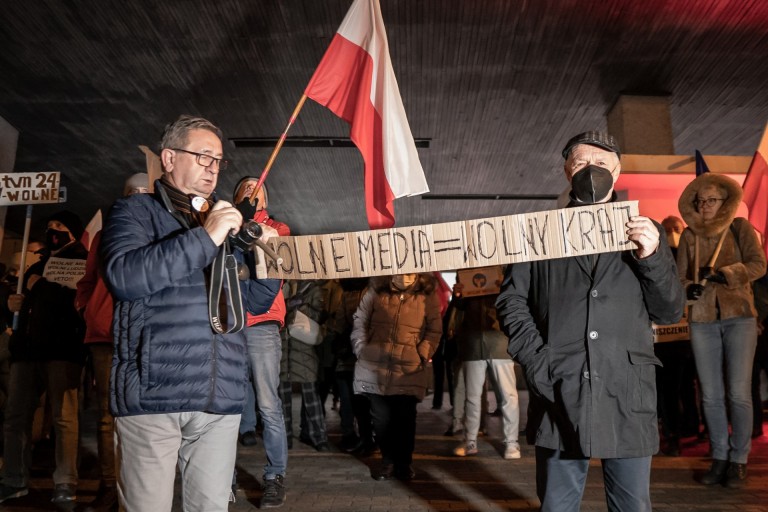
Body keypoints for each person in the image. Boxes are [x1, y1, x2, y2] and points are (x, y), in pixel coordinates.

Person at [496, 131, 684, 512]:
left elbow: (669, 311)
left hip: (626, 389)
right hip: (559, 386)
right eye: (581, 163)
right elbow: (512, 301)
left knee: (632, 505)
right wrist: (538, 361)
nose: (591, 170)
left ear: (617, 171)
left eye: (601, 163)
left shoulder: (646, 231)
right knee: (557, 504)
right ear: (567, 171)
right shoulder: (537, 233)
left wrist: (652, 257)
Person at [99, 115, 280, 512]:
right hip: (154, 395)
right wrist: (207, 236)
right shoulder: (135, 213)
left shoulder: (223, 222)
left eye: (218, 160)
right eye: (202, 156)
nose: (212, 167)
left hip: (219, 398)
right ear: (168, 157)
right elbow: (125, 278)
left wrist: (268, 262)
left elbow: (249, 305)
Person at [676, 172, 766, 488]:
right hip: (702, 321)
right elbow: (679, 278)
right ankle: (720, 456)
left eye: (711, 200)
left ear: (724, 201)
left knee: (738, 392)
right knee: (710, 395)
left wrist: (725, 274)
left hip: (739, 317)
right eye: (700, 201)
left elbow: (759, 265)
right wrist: (691, 289)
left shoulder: (739, 228)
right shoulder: (689, 236)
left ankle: (739, 461)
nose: (705, 206)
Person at [0, 211, 88, 505]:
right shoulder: (37, 265)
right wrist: (12, 302)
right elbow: (21, 300)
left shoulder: (81, 262)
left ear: (73, 233)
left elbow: (73, 300)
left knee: (64, 418)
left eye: (60, 226)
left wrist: (40, 286)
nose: (53, 231)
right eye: (50, 226)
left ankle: (65, 481)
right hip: (27, 351)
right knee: (16, 417)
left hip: (62, 351)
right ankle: (14, 479)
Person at [74, 173, 149, 512]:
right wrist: (87, 308)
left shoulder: (159, 231)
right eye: (132, 193)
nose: (138, 197)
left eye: (145, 193)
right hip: (106, 334)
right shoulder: (105, 237)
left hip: (145, 335)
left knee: (144, 415)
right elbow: (87, 280)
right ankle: (109, 486)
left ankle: (140, 487)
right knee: (107, 416)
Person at [231, 175, 291, 508]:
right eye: (246, 190)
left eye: (259, 189)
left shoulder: (278, 229)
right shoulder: (226, 224)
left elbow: (275, 267)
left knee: (268, 404)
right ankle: (224, 476)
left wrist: (256, 234)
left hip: (262, 324)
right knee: (227, 404)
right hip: (229, 324)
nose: (253, 193)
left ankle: (274, 476)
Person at [352, 273, 442, 481]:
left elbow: (434, 329)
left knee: (405, 418)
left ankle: (404, 463)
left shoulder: (426, 294)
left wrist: (422, 353)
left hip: (407, 368)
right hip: (375, 365)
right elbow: (361, 319)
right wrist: (361, 348)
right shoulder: (376, 289)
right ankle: (387, 461)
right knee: (381, 419)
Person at [451, 277, 521, 460]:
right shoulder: (469, 270)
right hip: (474, 342)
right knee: (472, 396)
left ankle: (511, 442)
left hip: (498, 340)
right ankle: (470, 440)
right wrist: (457, 295)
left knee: (508, 395)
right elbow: (460, 307)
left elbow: (516, 300)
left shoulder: (504, 271)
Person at [654, 215, 702, 456]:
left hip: (684, 337)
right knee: (665, 388)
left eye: (676, 228)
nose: (672, 233)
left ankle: (688, 428)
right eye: (668, 229)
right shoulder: (656, 257)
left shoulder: (690, 260)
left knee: (684, 386)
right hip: (659, 338)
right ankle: (670, 433)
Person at [280, 279, 331, 452]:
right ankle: (284, 437)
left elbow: (319, 316)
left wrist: (300, 307)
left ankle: (318, 436)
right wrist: (287, 304)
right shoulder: (280, 285)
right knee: (282, 398)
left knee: (311, 397)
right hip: (282, 347)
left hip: (304, 348)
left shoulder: (314, 288)